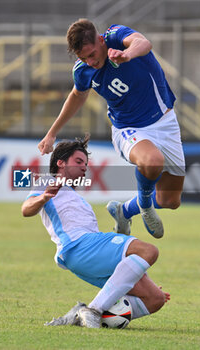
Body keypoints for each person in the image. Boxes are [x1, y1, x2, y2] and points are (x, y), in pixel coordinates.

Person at [38, 19, 185, 239]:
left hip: (165, 122)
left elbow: (143, 42)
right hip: (128, 128)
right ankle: (145, 204)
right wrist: (51, 133)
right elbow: (77, 95)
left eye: (92, 54)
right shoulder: (83, 71)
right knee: (152, 161)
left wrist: (127, 55)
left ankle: (124, 211)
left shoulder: (116, 37)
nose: (90, 61)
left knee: (170, 201)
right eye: (83, 58)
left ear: (100, 40)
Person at [22, 136, 170, 328]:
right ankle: (93, 310)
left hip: (88, 253)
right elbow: (26, 209)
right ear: (60, 163)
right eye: (78, 161)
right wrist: (43, 197)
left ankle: (78, 316)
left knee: (155, 298)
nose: (84, 167)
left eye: (86, 163)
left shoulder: (78, 198)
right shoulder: (46, 182)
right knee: (149, 251)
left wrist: (140, 278)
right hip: (77, 246)